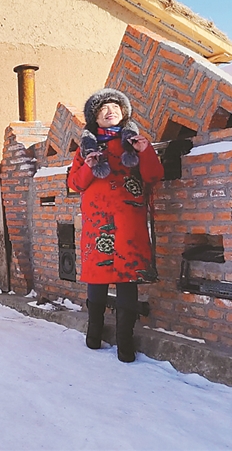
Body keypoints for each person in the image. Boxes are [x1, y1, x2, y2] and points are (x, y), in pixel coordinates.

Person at [67, 88, 164, 363]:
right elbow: (74, 184)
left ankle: (125, 343)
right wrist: (88, 165)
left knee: (127, 279)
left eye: (115, 108)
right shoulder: (85, 147)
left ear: (124, 113)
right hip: (97, 222)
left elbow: (154, 175)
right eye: (103, 109)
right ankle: (93, 333)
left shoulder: (135, 142)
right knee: (97, 279)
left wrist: (145, 153)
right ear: (94, 118)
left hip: (128, 221)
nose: (110, 112)